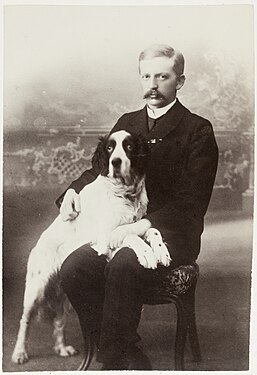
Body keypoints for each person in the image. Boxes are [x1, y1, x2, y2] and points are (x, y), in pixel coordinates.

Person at [57, 44, 219, 370]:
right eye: (147, 76)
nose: (153, 84)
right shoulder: (128, 122)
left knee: (124, 264)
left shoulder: (197, 130)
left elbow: (191, 202)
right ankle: (123, 350)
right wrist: (73, 192)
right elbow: (100, 169)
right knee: (73, 268)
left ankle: (116, 362)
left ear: (180, 81)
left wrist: (140, 227)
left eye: (163, 76)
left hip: (171, 233)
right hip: (123, 226)